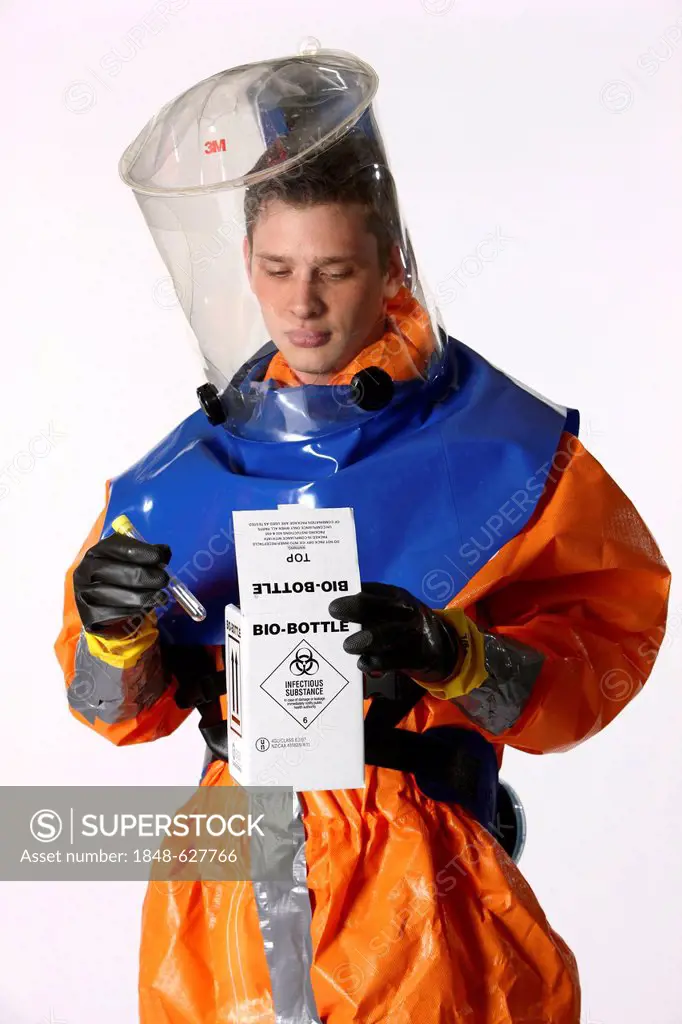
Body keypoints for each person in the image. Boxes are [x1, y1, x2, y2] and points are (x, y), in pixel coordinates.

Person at [54, 49, 670, 1024]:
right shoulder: (186, 475)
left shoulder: (500, 452)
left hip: (422, 901)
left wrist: (458, 657)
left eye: (334, 271)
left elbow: (603, 648)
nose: (300, 305)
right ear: (243, 267)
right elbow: (118, 709)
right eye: (275, 269)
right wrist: (111, 633)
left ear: (386, 265)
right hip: (224, 908)